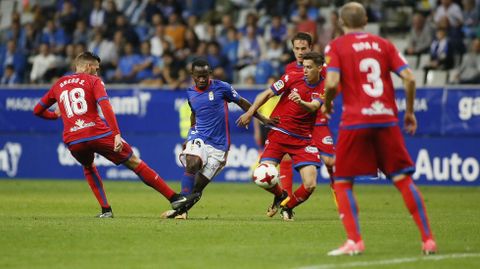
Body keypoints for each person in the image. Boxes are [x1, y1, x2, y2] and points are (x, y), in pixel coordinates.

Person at [322, 2, 436, 255]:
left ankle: (355, 241)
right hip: (386, 118)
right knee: (402, 179)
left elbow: (331, 82)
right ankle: (428, 239)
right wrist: (408, 111)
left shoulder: (337, 45)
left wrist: (328, 105)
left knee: (342, 181)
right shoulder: (384, 44)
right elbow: (410, 77)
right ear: (366, 21)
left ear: (341, 22)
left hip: (355, 121)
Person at [33, 52, 197, 218]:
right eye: (96, 69)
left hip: (73, 139)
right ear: (88, 66)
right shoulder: (94, 80)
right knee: (134, 162)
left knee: (88, 167)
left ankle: (106, 210)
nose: (97, 72)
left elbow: (37, 110)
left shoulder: (59, 83)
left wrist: (54, 115)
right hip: (97, 132)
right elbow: (105, 106)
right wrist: (116, 134)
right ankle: (174, 198)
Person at [161, 58, 274, 219]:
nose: (201, 79)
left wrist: (260, 118)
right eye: (198, 76)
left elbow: (241, 102)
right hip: (199, 136)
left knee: (198, 187)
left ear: (210, 74)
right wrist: (190, 134)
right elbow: (194, 113)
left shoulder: (222, 87)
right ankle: (181, 211)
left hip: (220, 145)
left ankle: (180, 210)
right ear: (192, 75)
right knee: (192, 163)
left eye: (204, 76)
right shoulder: (190, 93)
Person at [237, 51, 324, 221]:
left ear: (319, 68)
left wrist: (300, 102)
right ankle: (281, 194)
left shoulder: (325, 87)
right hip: (279, 132)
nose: (305, 70)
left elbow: (313, 107)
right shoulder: (292, 77)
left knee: (310, 185)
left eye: (309, 67)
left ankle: (287, 205)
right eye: (304, 66)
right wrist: (250, 112)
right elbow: (266, 94)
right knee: (261, 175)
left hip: (303, 139)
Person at [283, 32, 337, 206]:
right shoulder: (290, 69)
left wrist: (327, 101)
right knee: (286, 158)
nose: (300, 52)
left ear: (310, 48)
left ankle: (336, 187)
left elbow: (333, 84)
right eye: (297, 48)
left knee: (330, 160)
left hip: (318, 120)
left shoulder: (323, 67)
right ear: (292, 49)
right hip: (297, 123)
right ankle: (286, 197)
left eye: (303, 48)